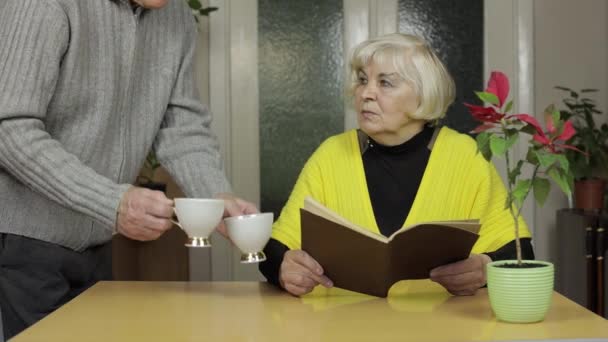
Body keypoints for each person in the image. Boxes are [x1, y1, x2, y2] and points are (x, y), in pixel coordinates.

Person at [0, 0, 257, 339]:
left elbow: (180, 125)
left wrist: (215, 193)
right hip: (23, 243)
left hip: (98, 242)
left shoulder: (175, 15)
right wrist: (112, 202)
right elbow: (9, 127)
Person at [259, 33, 535, 297]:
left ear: (424, 94)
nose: (366, 93)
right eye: (362, 80)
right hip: (342, 324)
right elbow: (274, 249)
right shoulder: (331, 154)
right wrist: (283, 268)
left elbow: (520, 253)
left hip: (443, 327)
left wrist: (484, 269)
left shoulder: (465, 156)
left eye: (385, 83)